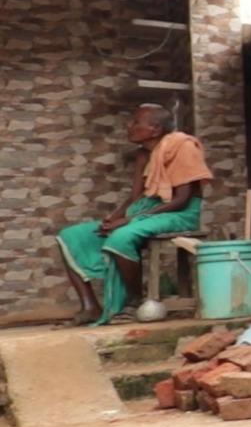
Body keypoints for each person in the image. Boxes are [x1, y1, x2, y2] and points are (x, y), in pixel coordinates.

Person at [55, 104, 211, 325]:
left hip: (178, 213)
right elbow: (134, 198)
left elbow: (180, 200)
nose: (129, 126)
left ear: (155, 129)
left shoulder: (183, 147)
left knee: (122, 237)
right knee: (71, 235)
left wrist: (128, 220)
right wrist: (115, 217)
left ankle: (134, 301)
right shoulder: (142, 154)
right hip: (143, 211)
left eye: (135, 122)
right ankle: (90, 307)